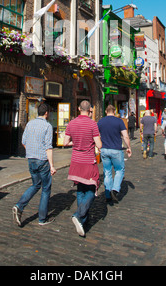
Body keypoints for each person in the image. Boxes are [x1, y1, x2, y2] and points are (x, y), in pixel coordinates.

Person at [12, 103, 56, 227]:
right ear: (46, 113)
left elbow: (23, 141)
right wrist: (52, 165)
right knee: (46, 189)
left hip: (31, 159)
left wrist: (31, 151)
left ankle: (19, 205)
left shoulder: (30, 124)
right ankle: (42, 218)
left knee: (35, 185)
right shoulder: (47, 126)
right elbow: (48, 147)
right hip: (42, 160)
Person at [64, 100, 102, 237]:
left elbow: (65, 142)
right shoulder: (93, 124)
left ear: (79, 109)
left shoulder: (71, 123)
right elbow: (99, 144)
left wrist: (77, 142)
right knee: (92, 189)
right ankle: (79, 215)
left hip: (76, 162)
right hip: (88, 162)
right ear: (90, 110)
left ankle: (83, 221)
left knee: (80, 190)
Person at [97, 105, 132, 204]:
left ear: (105, 111)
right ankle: (115, 190)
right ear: (115, 111)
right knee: (119, 170)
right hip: (116, 149)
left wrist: (98, 146)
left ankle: (108, 194)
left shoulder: (101, 121)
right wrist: (129, 147)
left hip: (104, 149)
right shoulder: (119, 121)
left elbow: (96, 135)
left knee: (107, 171)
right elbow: (125, 136)